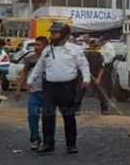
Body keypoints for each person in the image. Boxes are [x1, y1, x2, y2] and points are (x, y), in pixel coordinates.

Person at [26, 22, 90, 155]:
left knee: (69, 116)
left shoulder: (74, 49)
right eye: (51, 33)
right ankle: (48, 144)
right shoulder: (47, 50)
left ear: (64, 34)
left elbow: (84, 65)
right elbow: (39, 67)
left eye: (55, 33)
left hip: (67, 88)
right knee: (47, 115)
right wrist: (30, 80)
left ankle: (71, 145)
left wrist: (86, 79)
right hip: (49, 88)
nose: (52, 35)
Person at [13, 36, 52, 151]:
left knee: (49, 118)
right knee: (33, 116)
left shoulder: (51, 58)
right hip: (34, 92)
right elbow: (24, 74)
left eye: (38, 45)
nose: (35, 47)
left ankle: (48, 142)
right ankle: (35, 139)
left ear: (45, 46)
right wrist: (18, 89)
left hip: (48, 93)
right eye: (35, 45)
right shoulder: (31, 59)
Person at [82, 39, 110, 115]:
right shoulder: (86, 54)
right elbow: (82, 65)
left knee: (101, 93)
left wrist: (98, 78)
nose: (96, 48)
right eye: (94, 46)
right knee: (80, 91)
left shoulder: (100, 56)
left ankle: (104, 109)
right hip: (86, 74)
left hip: (97, 75)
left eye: (97, 46)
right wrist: (86, 76)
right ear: (90, 46)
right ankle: (75, 109)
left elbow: (101, 68)